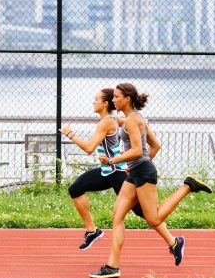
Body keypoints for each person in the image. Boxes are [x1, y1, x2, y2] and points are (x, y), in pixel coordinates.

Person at [89, 83, 212, 278]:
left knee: (153, 218)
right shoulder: (136, 118)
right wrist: (137, 163)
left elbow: (138, 150)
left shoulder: (132, 121)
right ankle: (112, 267)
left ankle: (188, 186)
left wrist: (113, 160)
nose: (113, 100)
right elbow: (155, 145)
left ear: (127, 99)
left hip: (143, 173)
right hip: (136, 172)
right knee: (117, 215)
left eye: (117, 97)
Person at [59, 88, 149, 250]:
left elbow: (89, 148)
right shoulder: (112, 118)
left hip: (116, 172)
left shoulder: (106, 122)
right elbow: (126, 121)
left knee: (142, 212)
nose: (93, 102)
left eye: (96, 99)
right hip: (106, 171)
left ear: (105, 103)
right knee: (75, 189)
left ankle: (172, 240)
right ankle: (92, 231)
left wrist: (70, 134)